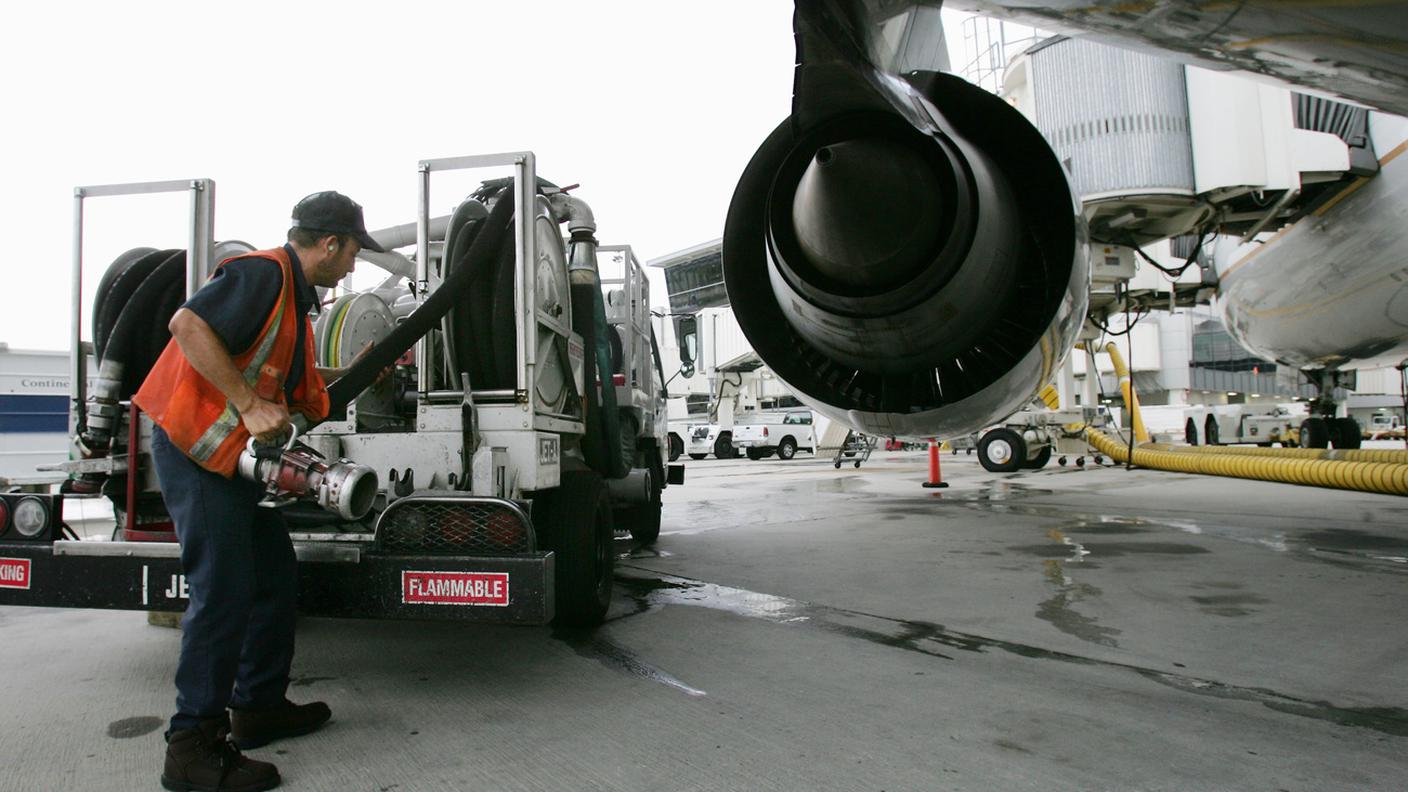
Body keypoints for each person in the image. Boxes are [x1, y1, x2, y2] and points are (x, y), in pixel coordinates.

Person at [134, 191, 385, 792]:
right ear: (330, 244)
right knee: (222, 590)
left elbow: (288, 385)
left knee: (273, 574)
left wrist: (362, 370)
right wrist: (246, 404)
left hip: (229, 462)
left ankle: (258, 707)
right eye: (352, 252)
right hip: (195, 451)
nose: (353, 266)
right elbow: (187, 325)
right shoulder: (263, 274)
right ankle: (191, 746)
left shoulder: (294, 309)